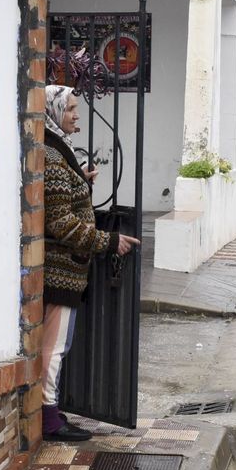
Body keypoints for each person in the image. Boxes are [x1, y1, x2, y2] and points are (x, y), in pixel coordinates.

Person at [41, 85, 139, 442]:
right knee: (54, 347)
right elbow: (60, 222)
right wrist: (109, 241)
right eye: (69, 109)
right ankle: (48, 419)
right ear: (52, 112)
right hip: (60, 269)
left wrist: (80, 180)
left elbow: (64, 203)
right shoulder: (51, 157)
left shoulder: (58, 151)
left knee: (57, 344)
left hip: (69, 269)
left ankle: (50, 408)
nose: (76, 115)